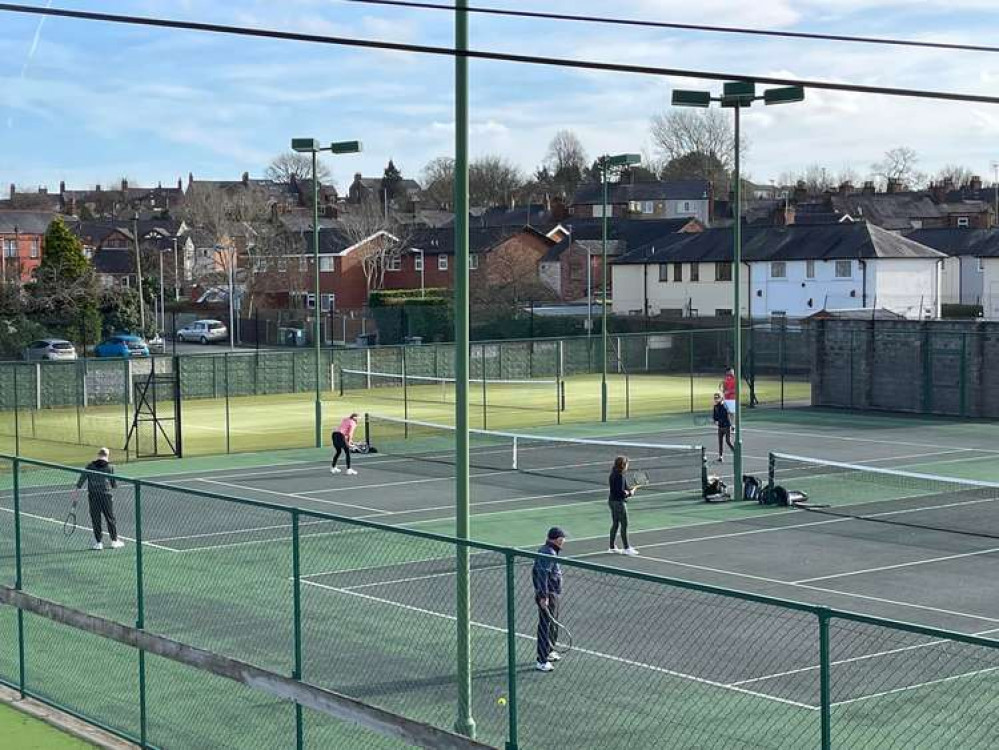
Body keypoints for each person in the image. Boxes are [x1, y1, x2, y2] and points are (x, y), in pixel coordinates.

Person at [74, 448, 123, 551]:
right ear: (107, 455)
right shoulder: (110, 467)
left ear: (98, 454)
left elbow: (81, 480)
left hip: (93, 496)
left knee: (96, 519)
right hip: (106, 496)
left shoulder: (90, 466)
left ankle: (98, 542)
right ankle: (114, 541)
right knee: (110, 518)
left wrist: (76, 491)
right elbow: (114, 484)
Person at [532, 527, 565, 673]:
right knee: (545, 625)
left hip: (553, 594)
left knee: (553, 623)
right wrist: (543, 596)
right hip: (548, 595)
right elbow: (542, 575)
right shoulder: (547, 552)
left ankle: (549, 650)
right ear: (557, 539)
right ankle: (541, 659)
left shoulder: (551, 551)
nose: (564, 541)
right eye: (562, 538)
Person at [608, 457, 639, 556]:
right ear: (623, 465)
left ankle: (612, 547)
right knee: (624, 525)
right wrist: (631, 493)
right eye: (627, 464)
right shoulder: (620, 476)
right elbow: (622, 493)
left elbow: (624, 488)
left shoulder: (613, 474)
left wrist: (630, 489)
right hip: (619, 503)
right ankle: (626, 548)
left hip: (612, 502)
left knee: (615, 524)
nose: (628, 466)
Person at [712, 393, 735, 463]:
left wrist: (731, 425)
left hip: (726, 426)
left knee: (728, 441)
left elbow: (727, 416)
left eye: (717, 398)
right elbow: (715, 416)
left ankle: (736, 453)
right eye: (715, 398)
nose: (716, 399)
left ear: (720, 398)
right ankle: (720, 457)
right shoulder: (715, 407)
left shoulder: (724, 406)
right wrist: (715, 420)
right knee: (720, 442)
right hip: (720, 427)